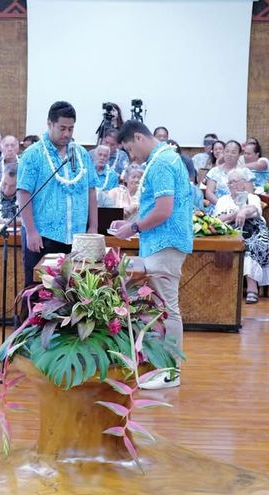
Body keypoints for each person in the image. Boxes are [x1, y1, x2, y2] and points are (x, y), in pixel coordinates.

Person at [112, 120, 193, 389]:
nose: (131, 156)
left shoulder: (160, 163)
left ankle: (171, 372)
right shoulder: (166, 158)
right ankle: (161, 366)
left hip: (166, 244)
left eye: (129, 149)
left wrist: (132, 227)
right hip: (160, 242)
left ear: (138, 138)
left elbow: (164, 210)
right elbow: (154, 208)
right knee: (161, 308)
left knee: (169, 310)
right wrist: (129, 222)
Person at [17, 100, 98, 285]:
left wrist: (93, 227)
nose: (67, 134)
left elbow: (91, 190)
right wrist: (31, 231)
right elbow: (23, 193)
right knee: (38, 291)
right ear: (49, 124)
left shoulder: (81, 154)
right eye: (62, 128)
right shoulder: (33, 154)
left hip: (77, 238)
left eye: (71, 129)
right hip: (43, 235)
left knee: (75, 292)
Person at [214, 168, 269, 304]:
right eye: (230, 183)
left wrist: (244, 211)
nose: (233, 185)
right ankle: (226, 288)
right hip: (230, 230)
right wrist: (237, 213)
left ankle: (252, 289)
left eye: (236, 181)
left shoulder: (252, 197)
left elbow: (254, 210)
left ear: (244, 183)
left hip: (255, 229)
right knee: (226, 244)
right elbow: (219, 219)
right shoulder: (223, 200)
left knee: (250, 244)